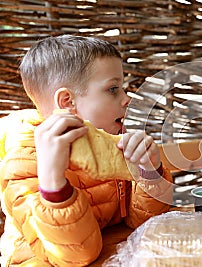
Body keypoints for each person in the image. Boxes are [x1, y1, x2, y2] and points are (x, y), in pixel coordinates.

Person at [0, 35, 173, 266]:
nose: (127, 99)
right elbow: (76, 255)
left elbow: (142, 222)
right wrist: (53, 184)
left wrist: (148, 171)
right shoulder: (24, 164)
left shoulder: (109, 145)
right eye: (113, 89)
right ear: (67, 101)